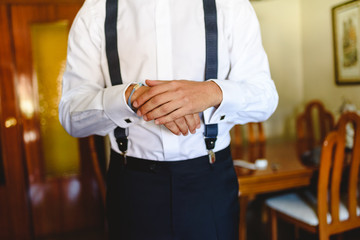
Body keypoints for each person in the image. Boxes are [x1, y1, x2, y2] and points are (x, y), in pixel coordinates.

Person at [59, 0, 278, 239]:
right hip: (132, 189)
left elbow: (265, 98)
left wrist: (212, 93)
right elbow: (71, 114)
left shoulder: (231, 5)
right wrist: (132, 98)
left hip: (210, 186)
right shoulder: (96, 10)